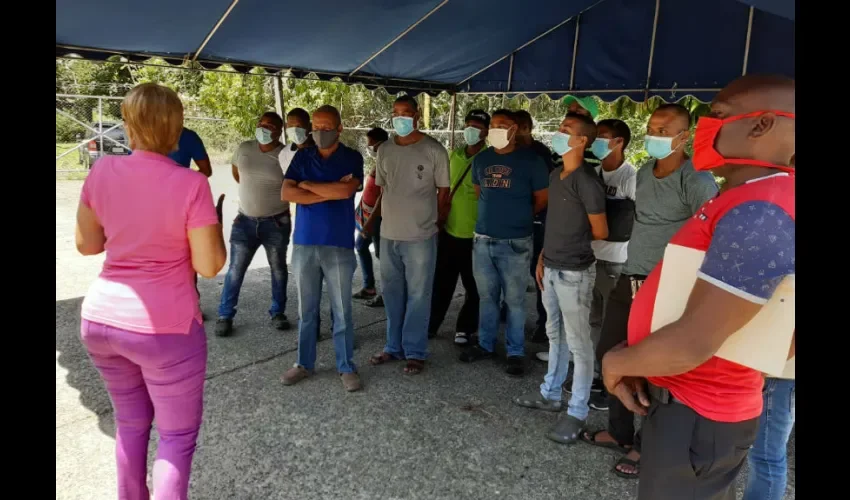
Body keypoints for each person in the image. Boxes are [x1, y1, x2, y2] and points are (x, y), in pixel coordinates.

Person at [601, 74, 795, 500]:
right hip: (684, 401)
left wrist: (618, 363)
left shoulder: (760, 211)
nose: (707, 124)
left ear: (761, 125)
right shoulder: (749, 198)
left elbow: (695, 340)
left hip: (699, 414)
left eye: (718, 115)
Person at [75, 83, 227, 499]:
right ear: (178, 131)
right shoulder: (190, 185)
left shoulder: (101, 170)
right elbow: (209, 266)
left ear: (128, 126)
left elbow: (88, 245)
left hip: (102, 319)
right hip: (166, 327)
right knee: (176, 438)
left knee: (129, 422)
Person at [580, 103, 719, 479]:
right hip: (631, 277)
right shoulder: (643, 172)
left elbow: (711, 236)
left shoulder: (697, 180)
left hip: (668, 286)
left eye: (664, 130)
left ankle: (647, 446)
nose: (655, 136)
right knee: (611, 353)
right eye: (652, 128)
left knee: (654, 367)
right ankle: (620, 432)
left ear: (683, 136)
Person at [513, 112, 607, 443]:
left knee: (580, 345)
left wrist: (568, 254)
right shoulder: (556, 174)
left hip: (575, 271)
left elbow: (600, 230)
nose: (558, 132)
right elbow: (555, 221)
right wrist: (543, 257)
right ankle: (551, 394)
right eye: (559, 128)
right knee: (555, 334)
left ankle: (577, 412)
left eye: (566, 130)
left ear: (582, 141)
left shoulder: (587, 180)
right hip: (550, 266)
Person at [458, 109, 549, 376]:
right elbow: (480, 193)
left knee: (515, 300)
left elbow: (542, 199)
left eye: (503, 125)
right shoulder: (482, 160)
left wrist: (518, 216)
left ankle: (515, 351)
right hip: (483, 239)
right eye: (494, 125)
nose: (497, 129)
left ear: (514, 129)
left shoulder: (532, 161)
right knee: (487, 297)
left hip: (516, 241)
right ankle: (486, 344)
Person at [280, 105, 364, 392]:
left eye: (326, 128)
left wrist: (307, 186)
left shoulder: (352, 157)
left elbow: (345, 192)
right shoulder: (303, 155)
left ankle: (346, 366)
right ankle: (304, 363)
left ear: (339, 128)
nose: (320, 133)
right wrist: (325, 189)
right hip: (304, 243)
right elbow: (286, 193)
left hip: (339, 245)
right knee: (307, 310)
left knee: (342, 311)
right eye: (316, 128)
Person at [368, 95, 450, 375]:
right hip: (389, 234)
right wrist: (371, 222)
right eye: (395, 112)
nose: (399, 118)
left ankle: (415, 351)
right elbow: (382, 189)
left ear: (417, 116)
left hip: (420, 237)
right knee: (392, 293)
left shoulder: (433, 150)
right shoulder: (385, 150)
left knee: (418, 295)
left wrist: (433, 222)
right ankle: (393, 346)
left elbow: (444, 192)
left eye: (405, 113)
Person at [568, 119, 637, 413]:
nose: (597, 142)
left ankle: (613, 381)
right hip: (590, 257)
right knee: (591, 320)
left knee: (612, 325)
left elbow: (639, 220)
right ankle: (594, 375)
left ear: (619, 142)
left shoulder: (630, 177)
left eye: (604, 137)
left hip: (616, 261)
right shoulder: (594, 174)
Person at [215, 112, 292, 337]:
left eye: (270, 125)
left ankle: (278, 312)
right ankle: (225, 315)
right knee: (235, 270)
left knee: (278, 270)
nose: (264, 128)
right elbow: (238, 174)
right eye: (261, 124)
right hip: (244, 222)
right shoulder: (245, 148)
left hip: (276, 223)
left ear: (280, 131)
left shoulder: (285, 154)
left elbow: (293, 184)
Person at [428, 110, 489, 345]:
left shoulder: (488, 158)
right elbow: (444, 190)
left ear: (486, 132)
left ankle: (465, 328)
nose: (471, 130)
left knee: (474, 287)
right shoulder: (453, 155)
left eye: (477, 126)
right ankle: (432, 324)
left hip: (477, 236)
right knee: (442, 283)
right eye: (468, 125)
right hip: (450, 233)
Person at [513, 110, 557, 344]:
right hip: (511, 221)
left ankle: (543, 323)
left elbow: (547, 190)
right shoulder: (507, 150)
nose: (516, 132)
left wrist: (530, 212)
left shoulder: (540, 152)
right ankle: (506, 313)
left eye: (521, 126)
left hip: (537, 219)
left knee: (538, 273)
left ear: (529, 128)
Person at [744, 366, 795, 500]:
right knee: (766, 459)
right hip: (778, 377)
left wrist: (762, 369)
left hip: (778, 377)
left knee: (766, 460)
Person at [354, 127, 389, 307]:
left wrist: (370, 221)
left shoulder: (387, 161)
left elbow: (383, 196)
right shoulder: (381, 159)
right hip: (369, 215)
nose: (370, 149)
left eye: (371, 145)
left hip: (378, 218)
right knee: (366, 248)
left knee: (381, 255)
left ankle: (385, 293)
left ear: (379, 143)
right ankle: (370, 287)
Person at [279, 107, 315, 173]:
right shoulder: (284, 154)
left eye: (299, 126)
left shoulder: (321, 149)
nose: (295, 130)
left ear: (309, 127)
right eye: (291, 126)